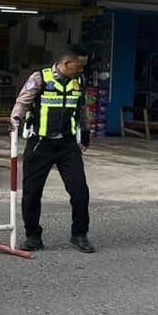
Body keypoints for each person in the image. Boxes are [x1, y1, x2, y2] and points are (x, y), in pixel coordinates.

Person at [11, 45, 94, 253]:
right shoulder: (40, 78)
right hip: (41, 143)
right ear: (67, 63)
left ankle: (79, 234)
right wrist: (15, 121)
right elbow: (22, 102)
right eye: (79, 65)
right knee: (32, 193)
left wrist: (85, 131)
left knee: (80, 191)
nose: (81, 70)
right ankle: (33, 236)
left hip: (67, 145)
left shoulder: (79, 82)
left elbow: (81, 108)